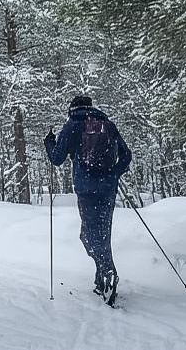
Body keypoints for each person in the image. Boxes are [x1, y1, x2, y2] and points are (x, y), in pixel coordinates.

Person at [44, 95, 132, 304]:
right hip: (108, 189)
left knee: (89, 235)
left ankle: (108, 272)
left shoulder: (72, 125)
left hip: (86, 189)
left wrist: (49, 143)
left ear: (72, 109)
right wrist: (113, 174)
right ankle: (101, 278)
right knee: (103, 231)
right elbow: (126, 155)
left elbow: (57, 159)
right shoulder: (108, 125)